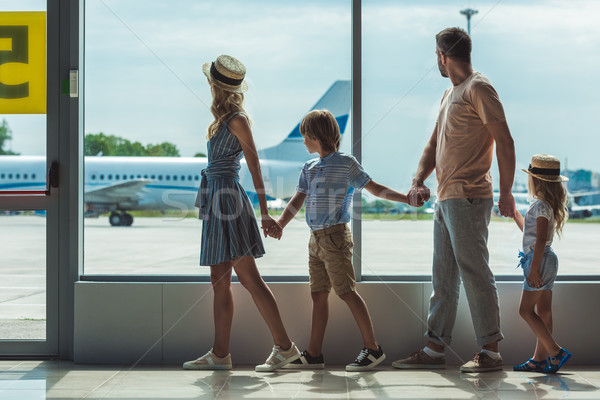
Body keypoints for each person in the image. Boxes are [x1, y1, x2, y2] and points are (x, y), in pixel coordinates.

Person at [392, 27, 517, 373]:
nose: (437, 62)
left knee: (475, 272)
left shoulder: (479, 88)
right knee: (443, 277)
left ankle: (490, 353)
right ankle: (434, 350)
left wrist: (506, 192)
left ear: (443, 56)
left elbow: (504, 141)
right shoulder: (451, 95)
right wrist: (418, 180)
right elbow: (434, 145)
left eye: (437, 56)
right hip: (446, 198)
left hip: (470, 196)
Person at [183, 55, 300, 372]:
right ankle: (220, 355)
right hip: (216, 201)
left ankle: (286, 348)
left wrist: (264, 212)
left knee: (249, 279)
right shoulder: (221, 120)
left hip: (229, 202)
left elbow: (255, 166)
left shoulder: (237, 119)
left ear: (215, 86)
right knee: (218, 281)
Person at [269, 109, 408, 371]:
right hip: (315, 240)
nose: (303, 141)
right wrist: (280, 224)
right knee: (318, 295)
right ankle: (313, 354)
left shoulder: (346, 163)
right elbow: (298, 199)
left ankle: (373, 349)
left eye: (305, 136)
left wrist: (407, 199)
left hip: (335, 238)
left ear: (315, 135)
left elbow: (375, 188)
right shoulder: (308, 168)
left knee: (346, 292)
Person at [513, 154, 571, 373]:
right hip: (548, 259)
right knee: (544, 311)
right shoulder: (545, 206)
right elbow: (533, 233)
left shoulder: (539, 207)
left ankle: (555, 352)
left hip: (539, 260)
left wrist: (534, 269)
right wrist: (516, 215)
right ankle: (539, 359)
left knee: (525, 311)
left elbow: (538, 241)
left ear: (535, 181)